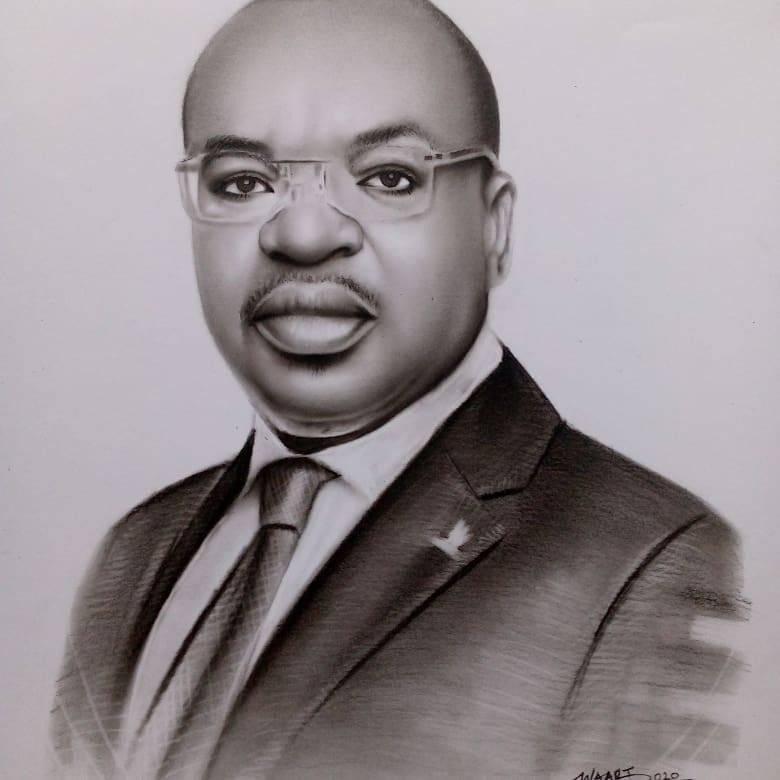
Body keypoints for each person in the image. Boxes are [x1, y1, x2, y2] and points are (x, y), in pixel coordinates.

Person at [50, 1, 746, 778]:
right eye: (243, 182)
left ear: (494, 226)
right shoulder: (132, 555)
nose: (303, 235)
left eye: (389, 178)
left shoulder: (653, 568)